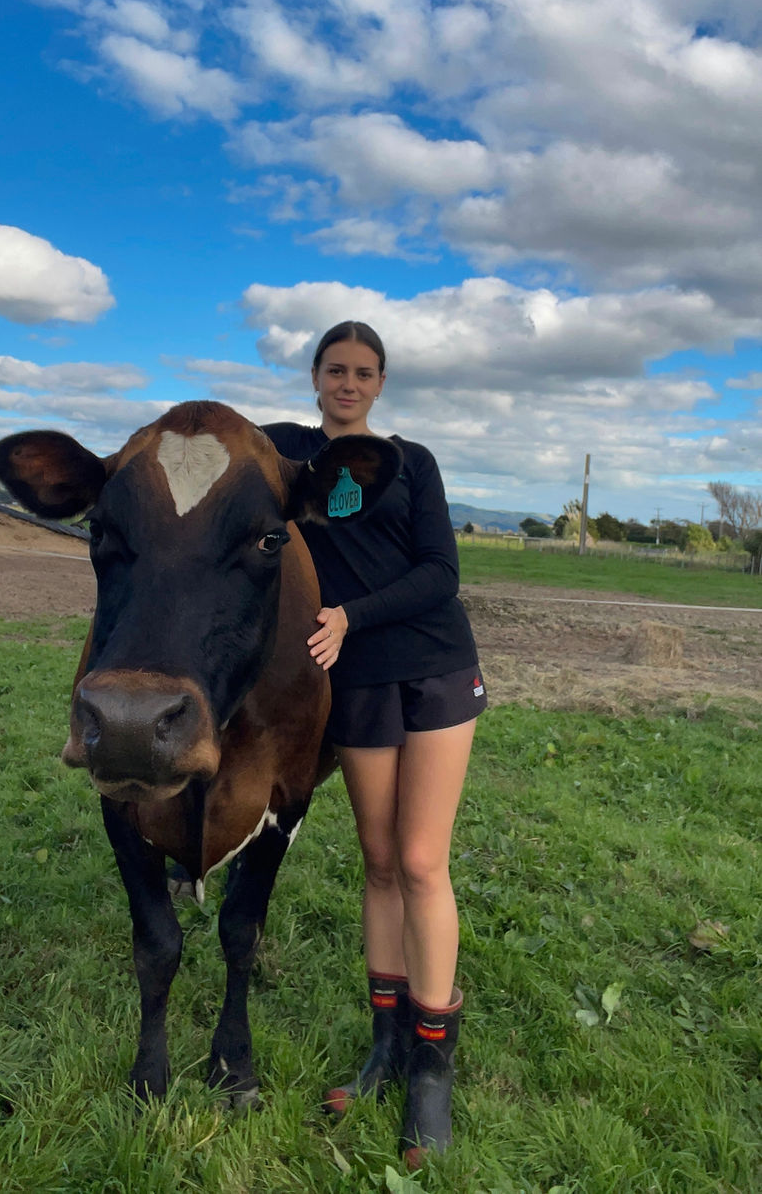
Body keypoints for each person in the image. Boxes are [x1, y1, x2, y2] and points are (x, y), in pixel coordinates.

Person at [263, 320, 485, 1170]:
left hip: (432, 666)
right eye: (334, 370)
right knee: (379, 859)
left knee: (424, 860)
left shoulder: (411, 462)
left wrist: (352, 614)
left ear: (381, 383)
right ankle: (386, 1043)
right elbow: (223, 447)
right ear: (314, 377)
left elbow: (441, 572)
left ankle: (432, 1064)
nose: (347, 383)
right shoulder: (289, 459)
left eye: (362, 372)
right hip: (353, 682)